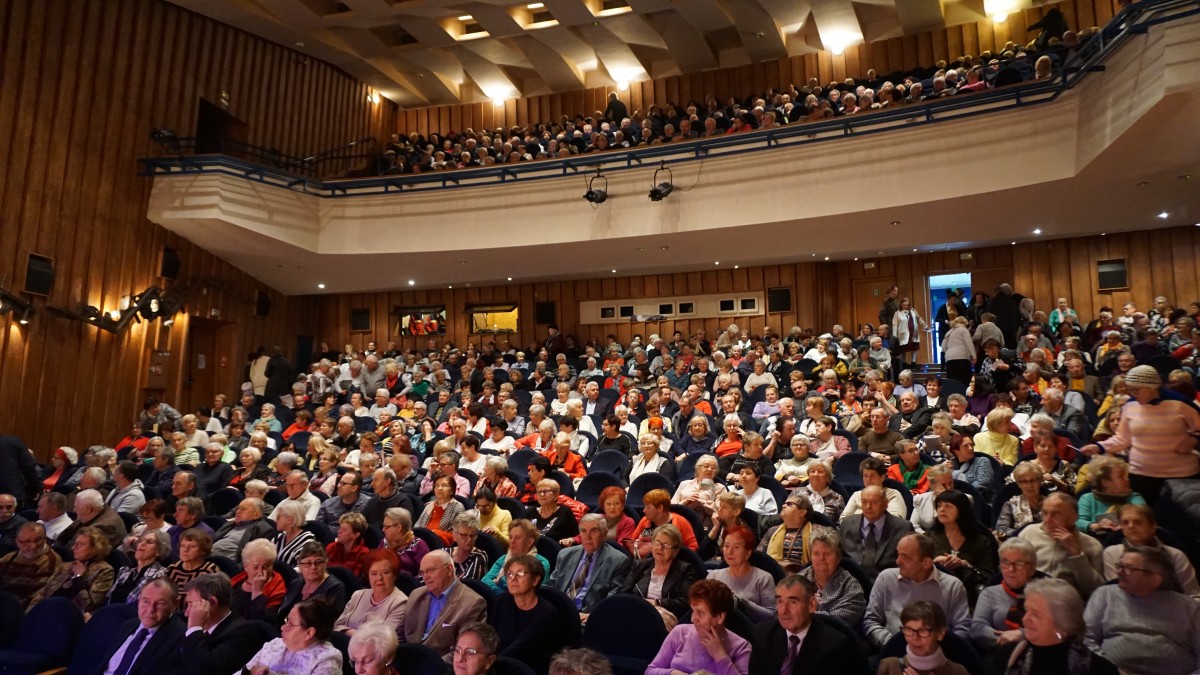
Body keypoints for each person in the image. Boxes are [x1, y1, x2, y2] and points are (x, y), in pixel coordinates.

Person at [1083, 546, 1200, 675]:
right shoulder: (1105, 595)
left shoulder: (1188, 607)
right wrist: (1109, 670)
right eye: (1119, 566)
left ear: (1155, 579)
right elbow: (1085, 639)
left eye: (1128, 569)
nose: (1119, 572)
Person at [863, 533, 971, 650]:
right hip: (893, 651)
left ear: (926, 563)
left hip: (938, 654)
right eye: (898, 554)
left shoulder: (953, 586)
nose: (898, 561)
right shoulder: (886, 578)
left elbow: (963, 629)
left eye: (905, 557)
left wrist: (933, 649)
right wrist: (893, 644)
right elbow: (870, 620)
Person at [989, 578, 1119, 675]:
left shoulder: (1097, 669)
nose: (1025, 619)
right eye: (1026, 610)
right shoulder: (1008, 656)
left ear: (1062, 623)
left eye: (1036, 614)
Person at [749, 575, 870, 675]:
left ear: (812, 605)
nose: (783, 610)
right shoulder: (762, 635)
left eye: (793, 602)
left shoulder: (835, 646)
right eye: (780, 601)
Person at [646, 579, 753, 675]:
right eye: (693, 611)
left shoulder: (741, 647)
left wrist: (720, 656)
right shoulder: (680, 633)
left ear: (720, 617)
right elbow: (650, 671)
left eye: (701, 613)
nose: (693, 619)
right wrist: (672, 673)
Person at [1101, 504, 1200, 597]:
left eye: (1137, 522)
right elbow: (1116, 593)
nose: (1130, 526)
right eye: (1125, 522)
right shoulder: (1112, 553)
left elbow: (1194, 594)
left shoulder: (1175, 555)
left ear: (1152, 526)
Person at [403, 550, 488, 656]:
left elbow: (463, 652)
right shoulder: (416, 595)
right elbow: (401, 635)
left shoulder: (473, 604)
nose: (425, 577)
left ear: (449, 569)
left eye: (430, 570)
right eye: (422, 572)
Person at [1018, 493, 1104, 598]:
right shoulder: (1028, 533)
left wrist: (1076, 554)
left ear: (1074, 517)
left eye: (1055, 514)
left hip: (1066, 604)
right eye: (1045, 513)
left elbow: (1097, 592)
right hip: (1028, 597)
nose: (1047, 520)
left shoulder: (1093, 546)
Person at [179, 573, 266, 675]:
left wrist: (194, 628)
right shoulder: (193, 623)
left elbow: (205, 671)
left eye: (190, 604)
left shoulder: (243, 633)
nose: (186, 613)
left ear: (212, 602)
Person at [490, 553, 563, 673]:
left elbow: (521, 647)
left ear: (535, 580)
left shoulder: (546, 613)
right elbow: (491, 633)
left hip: (529, 668)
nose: (513, 579)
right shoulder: (503, 600)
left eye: (520, 574)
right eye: (510, 574)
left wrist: (488, 661)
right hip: (499, 663)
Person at [616, 523, 698, 628]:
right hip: (636, 611)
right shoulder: (639, 565)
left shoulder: (685, 570)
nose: (660, 548)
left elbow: (683, 602)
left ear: (675, 551)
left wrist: (656, 602)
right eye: (657, 543)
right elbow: (622, 593)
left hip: (665, 618)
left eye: (666, 545)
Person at [548, 513, 631, 614]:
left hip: (588, 615)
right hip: (559, 610)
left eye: (594, 531)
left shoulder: (618, 561)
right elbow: (551, 585)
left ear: (604, 534)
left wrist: (594, 615)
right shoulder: (565, 554)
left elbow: (613, 598)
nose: (588, 537)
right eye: (583, 531)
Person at [971, 539, 1039, 653]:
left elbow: (1055, 628)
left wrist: (1022, 634)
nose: (1011, 569)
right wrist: (1005, 639)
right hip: (997, 654)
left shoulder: (1043, 595)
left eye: (1019, 564)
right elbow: (978, 628)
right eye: (1006, 562)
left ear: (1032, 568)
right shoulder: (989, 593)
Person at [928, 489, 999, 597]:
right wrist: (933, 563)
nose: (941, 509)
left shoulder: (980, 541)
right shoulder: (928, 538)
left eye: (948, 506)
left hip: (969, 595)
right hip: (935, 593)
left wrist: (965, 565)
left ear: (961, 510)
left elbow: (989, 577)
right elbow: (917, 571)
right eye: (939, 505)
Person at [28, 525, 115, 613]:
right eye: (75, 544)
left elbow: (88, 605)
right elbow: (44, 592)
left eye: (80, 544)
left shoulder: (104, 571)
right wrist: (30, 613)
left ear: (95, 547)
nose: (74, 548)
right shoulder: (65, 566)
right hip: (47, 610)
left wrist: (78, 578)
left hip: (70, 616)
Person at [245, 597, 342, 675]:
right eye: (286, 621)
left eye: (290, 624)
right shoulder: (275, 644)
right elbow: (243, 671)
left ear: (309, 633)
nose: (283, 627)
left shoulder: (326, 659)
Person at [839, 485, 915, 581]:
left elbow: (911, 563)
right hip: (852, 582)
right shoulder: (847, 524)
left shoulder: (903, 528)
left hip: (890, 582)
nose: (868, 507)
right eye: (864, 502)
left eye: (874, 502)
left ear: (885, 504)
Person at [878, 601, 970, 675]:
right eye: (909, 630)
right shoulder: (889, 667)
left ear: (940, 633)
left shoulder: (958, 672)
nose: (915, 637)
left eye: (923, 631)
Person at [799, 529, 867, 629]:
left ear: (838, 557)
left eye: (827, 554)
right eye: (816, 554)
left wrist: (803, 615)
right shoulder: (799, 579)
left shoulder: (851, 586)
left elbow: (837, 623)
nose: (821, 558)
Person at [709, 525, 776, 621]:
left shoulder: (763, 578)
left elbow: (771, 615)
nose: (729, 552)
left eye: (736, 547)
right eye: (726, 546)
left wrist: (741, 602)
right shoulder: (713, 576)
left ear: (748, 553)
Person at [335, 548, 408, 635]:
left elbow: (382, 639)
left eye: (385, 573)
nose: (379, 578)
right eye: (374, 573)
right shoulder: (358, 595)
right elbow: (337, 626)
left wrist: (349, 632)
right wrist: (352, 632)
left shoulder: (400, 603)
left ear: (394, 575)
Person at [1075, 455, 1145, 535]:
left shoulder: (1134, 498)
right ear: (1106, 482)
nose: (1127, 480)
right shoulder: (1088, 498)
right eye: (1121, 476)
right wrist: (1096, 526)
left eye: (1126, 476)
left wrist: (1123, 527)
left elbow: (1143, 518)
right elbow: (1078, 522)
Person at [279, 541, 347, 622]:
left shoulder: (335, 588)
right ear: (300, 566)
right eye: (308, 563)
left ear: (326, 563)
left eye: (318, 562)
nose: (313, 567)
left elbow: (327, 622)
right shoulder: (295, 584)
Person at [0, 522, 61, 608]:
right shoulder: (10, 557)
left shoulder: (51, 561)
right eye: (26, 541)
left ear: (45, 539)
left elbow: (36, 599)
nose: (33, 546)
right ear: (17, 542)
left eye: (38, 540)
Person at [230, 538, 289, 623]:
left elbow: (262, 622)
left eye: (266, 566)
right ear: (245, 566)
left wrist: (257, 592)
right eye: (255, 567)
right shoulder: (237, 580)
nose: (260, 572)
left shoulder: (277, 589)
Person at [484, 519, 550, 594]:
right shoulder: (504, 558)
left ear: (529, 542)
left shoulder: (541, 563)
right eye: (511, 537)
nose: (512, 541)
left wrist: (499, 580)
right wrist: (502, 593)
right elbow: (485, 580)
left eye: (518, 538)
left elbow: (527, 591)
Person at [107, 530, 170, 605]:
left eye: (149, 541)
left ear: (159, 551)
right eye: (141, 540)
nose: (142, 543)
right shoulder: (125, 570)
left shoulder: (160, 575)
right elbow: (108, 598)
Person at [630, 488, 699, 557]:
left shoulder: (681, 522)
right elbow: (631, 544)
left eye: (648, 507)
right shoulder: (644, 520)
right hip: (644, 563)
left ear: (660, 508)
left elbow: (693, 548)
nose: (644, 510)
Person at [841, 457, 907, 521]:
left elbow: (896, 520)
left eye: (873, 475)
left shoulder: (893, 495)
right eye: (865, 476)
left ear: (882, 477)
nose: (868, 479)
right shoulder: (856, 495)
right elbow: (843, 519)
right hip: (856, 530)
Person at [211, 497, 275, 562]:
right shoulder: (230, 524)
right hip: (210, 557)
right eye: (238, 508)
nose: (238, 511)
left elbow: (252, 559)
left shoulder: (262, 529)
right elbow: (213, 539)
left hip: (228, 563)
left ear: (256, 514)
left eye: (243, 509)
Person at [163, 528, 220, 601]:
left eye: (192, 546)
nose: (185, 550)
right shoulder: (172, 569)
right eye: (183, 545)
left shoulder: (210, 571)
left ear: (203, 550)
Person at [995, 462, 1046, 538]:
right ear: (1018, 484)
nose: (1029, 485)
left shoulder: (1051, 503)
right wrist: (1023, 533)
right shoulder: (1011, 504)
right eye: (1024, 482)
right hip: (1020, 543)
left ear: (1039, 482)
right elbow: (1001, 529)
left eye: (1033, 480)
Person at [417, 474, 467, 545]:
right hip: (422, 542)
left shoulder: (458, 507)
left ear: (452, 491)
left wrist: (435, 534)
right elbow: (418, 526)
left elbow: (459, 535)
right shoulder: (429, 505)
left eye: (444, 485)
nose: (440, 488)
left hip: (441, 546)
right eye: (437, 485)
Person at [381, 507, 428, 577]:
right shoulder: (384, 542)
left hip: (409, 586)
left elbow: (425, 573)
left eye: (386, 527)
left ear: (398, 527)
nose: (383, 530)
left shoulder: (419, 545)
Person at [528, 478, 579, 542]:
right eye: (539, 492)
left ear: (556, 495)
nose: (542, 495)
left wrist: (571, 540)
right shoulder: (531, 511)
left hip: (554, 550)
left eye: (545, 491)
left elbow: (577, 536)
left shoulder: (564, 511)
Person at [272, 499, 317, 567]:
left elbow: (302, 568)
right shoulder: (278, 538)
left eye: (278, 517)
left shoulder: (307, 540)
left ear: (290, 519)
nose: (275, 520)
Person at [448, 512, 489, 580]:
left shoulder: (479, 556)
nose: (469, 539)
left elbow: (466, 582)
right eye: (464, 535)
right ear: (454, 536)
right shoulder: (445, 553)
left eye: (472, 535)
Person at [327, 511, 371, 576]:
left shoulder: (364, 554)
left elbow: (355, 577)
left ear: (355, 535)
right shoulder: (331, 547)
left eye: (344, 529)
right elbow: (324, 569)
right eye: (340, 528)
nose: (339, 531)